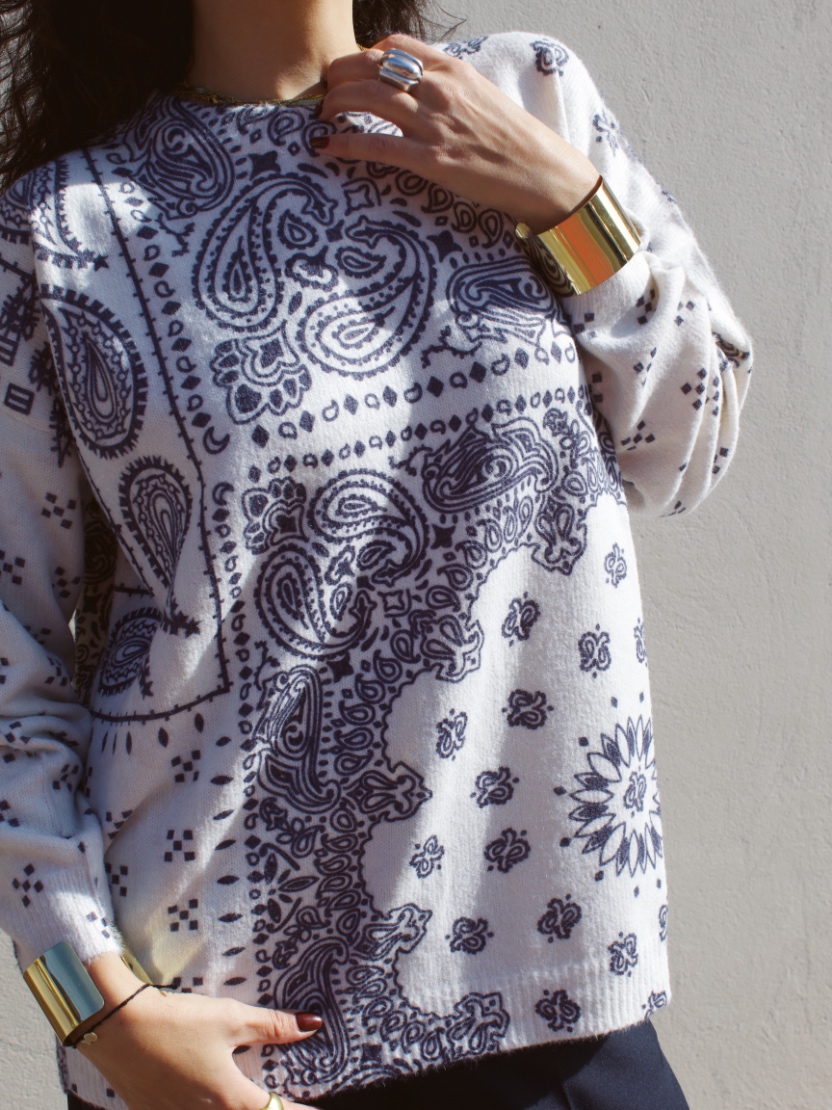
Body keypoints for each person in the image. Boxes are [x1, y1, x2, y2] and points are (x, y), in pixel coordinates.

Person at [0, 1, 752, 1108]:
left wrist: (567, 204)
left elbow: (687, 448)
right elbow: (9, 663)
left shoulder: (528, 95)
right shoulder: (61, 227)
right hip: (237, 1038)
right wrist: (96, 1011)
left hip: (555, 992)